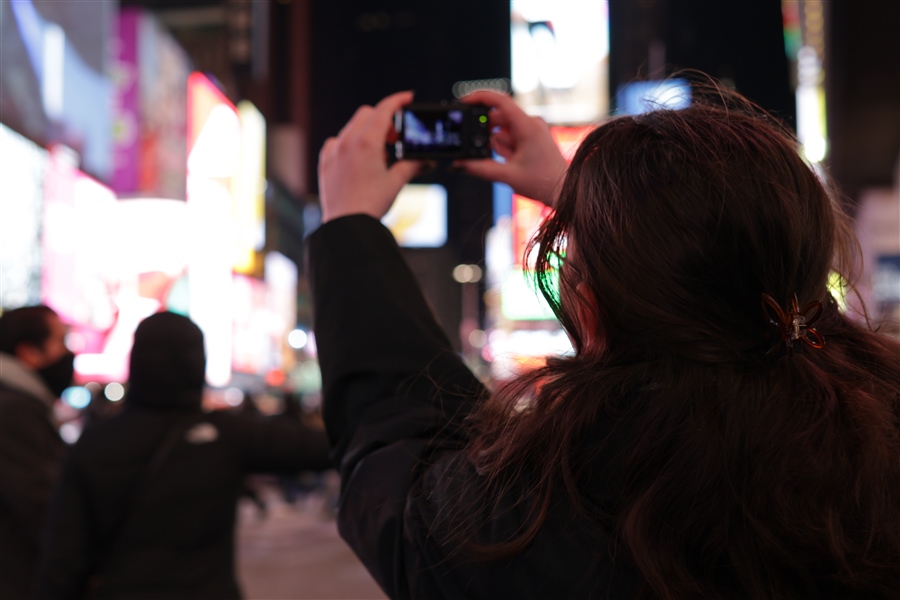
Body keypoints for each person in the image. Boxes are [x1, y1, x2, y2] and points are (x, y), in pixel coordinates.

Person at [309, 86, 900, 599]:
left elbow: (403, 482)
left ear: (589, 312)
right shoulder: (876, 434)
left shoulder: (563, 508)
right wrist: (613, 209)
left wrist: (349, 230)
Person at [38, 311, 332, 599]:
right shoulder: (228, 436)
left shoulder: (95, 443)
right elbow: (323, 448)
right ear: (196, 363)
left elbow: (64, 556)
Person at [0, 305, 72, 599]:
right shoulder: (15, 410)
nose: (67, 353)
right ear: (29, 352)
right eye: (60, 341)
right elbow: (40, 504)